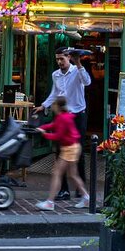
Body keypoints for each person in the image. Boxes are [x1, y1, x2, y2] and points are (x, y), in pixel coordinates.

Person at [36, 49, 91, 200]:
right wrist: (44, 105)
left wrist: (78, 62)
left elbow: (87, 82)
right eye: (57, 59)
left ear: (69, 57)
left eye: (62, 59)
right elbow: (55, 92)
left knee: (76, 152)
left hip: (78, 115)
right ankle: (63, 190)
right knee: (60, 152)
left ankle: (81, 190)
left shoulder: (77, 71)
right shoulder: (56, 74)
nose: (59, 62)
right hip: (62, 116)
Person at [34, 97, 90, 211]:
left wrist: (44, 134)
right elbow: (53, 126)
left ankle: (50, 202)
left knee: (57, 173)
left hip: (69, 148)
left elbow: (58, 136)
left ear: (56, 106)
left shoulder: (63, 118)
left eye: (53, 105)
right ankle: (86, 198)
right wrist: (41, 127)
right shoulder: (63, 117)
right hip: (72, 147)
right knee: (73, 175)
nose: (52, 107)